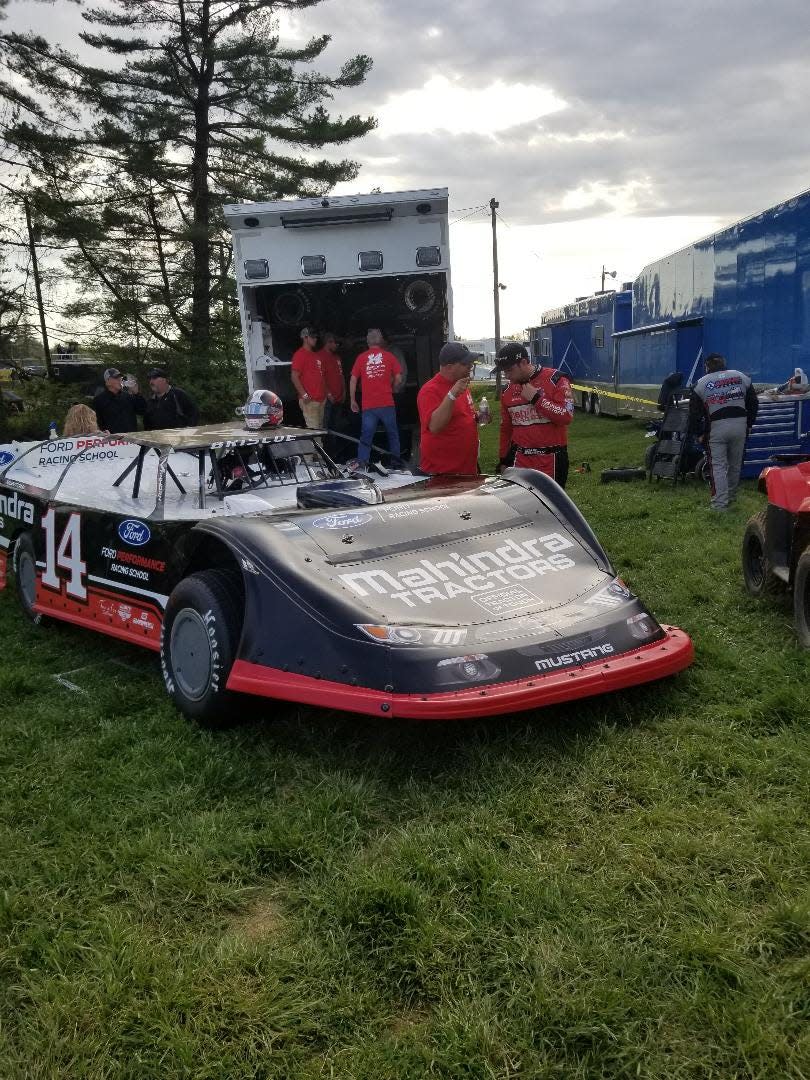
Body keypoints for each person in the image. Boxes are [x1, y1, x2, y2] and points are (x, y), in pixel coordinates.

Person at [496, 342, 574, 487]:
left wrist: (537, 399)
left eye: (509, 370)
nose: (507, 375)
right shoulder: (506, 391)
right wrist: (503, 460)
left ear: (524, 362)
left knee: (550, 507)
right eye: (503, 371)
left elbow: (566, 415)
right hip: (520, 458)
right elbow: (506, 429)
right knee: (520, 506)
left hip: (552, 458)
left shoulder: (556, 379)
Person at [689, 352, 759, 511]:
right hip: (740, 425)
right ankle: (731, 497)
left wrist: (698, 433)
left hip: (716, 428)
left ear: (707, 366)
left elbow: (694, 413)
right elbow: (753, 403)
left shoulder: (700, 384)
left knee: (718, 466)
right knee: (735, 464)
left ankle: (720, 505)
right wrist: (749, 424)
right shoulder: (742, 377)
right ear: (724, 363)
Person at [416, 341, 484, 476]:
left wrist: (476, 416)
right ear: (449, 367)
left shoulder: (461, 385)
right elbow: (435, 426)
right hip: (443, 473)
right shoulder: (429, 390)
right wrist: (451, 395)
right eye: (465, 364)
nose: (470, 366)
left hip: (467, 470)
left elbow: (460, 416)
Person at [349, 328, 403, 468]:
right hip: (386, 403)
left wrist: (352, 400)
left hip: (369, 406)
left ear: (367, 342)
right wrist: (394, 388)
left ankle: (362, 463)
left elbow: (353, 379)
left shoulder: (361, 358)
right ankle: (395, 463)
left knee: (366, 436)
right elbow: (398, 377)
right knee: (392, 434)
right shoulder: (389, 356)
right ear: (381, 341)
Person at [290, 327, 327, 429]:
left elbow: (321, 376)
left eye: (316, 337)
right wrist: (304, 395)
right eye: (312, 337)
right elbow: (294, 377)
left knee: (319, 431)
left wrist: (325, 394)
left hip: (321, 400)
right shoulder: (299, 355)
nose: (315, 339)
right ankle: (316, 446)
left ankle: (319, 445)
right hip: (310, 402)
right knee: (315, 433)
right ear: (305, 338)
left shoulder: (315, 355)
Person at [92, 367, 146, 434]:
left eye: (120, 377)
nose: (120, 379)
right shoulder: (99, 400)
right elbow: (97, 422)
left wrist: (137, 393)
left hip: (131, 440)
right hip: (112, 441)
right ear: (108, 381)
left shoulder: (127, 397)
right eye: (116, 378)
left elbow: (142, 410)